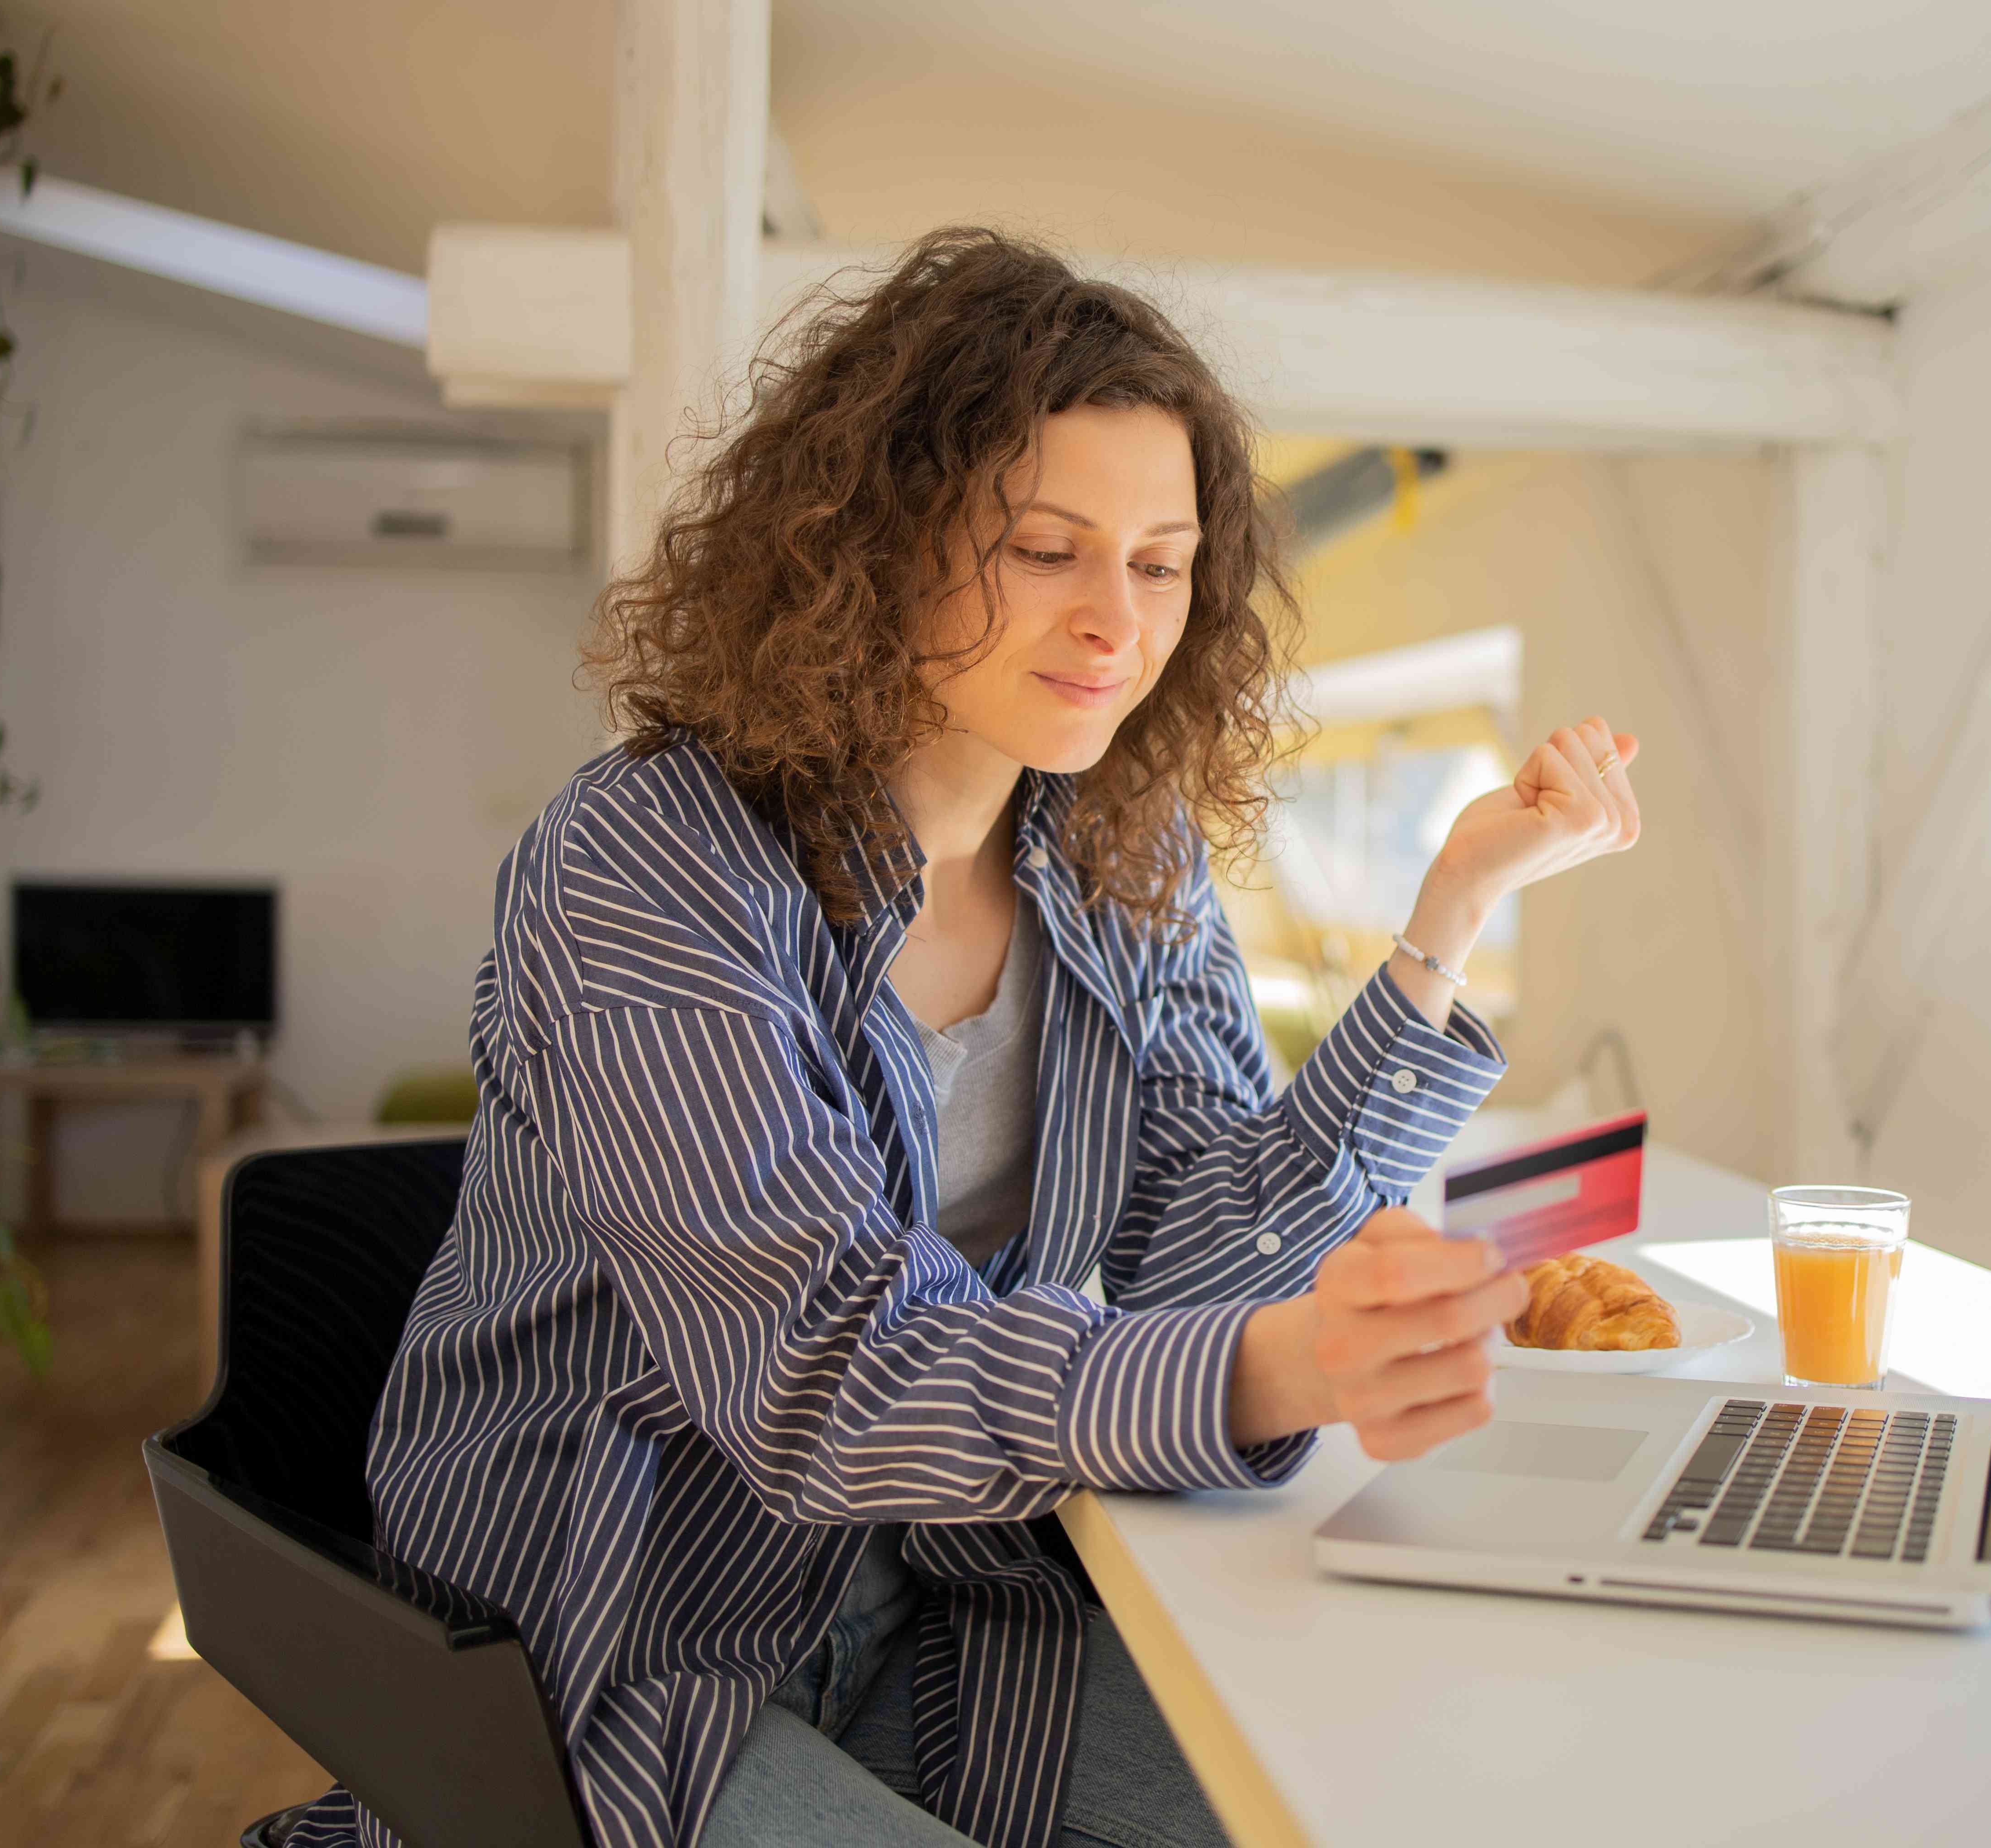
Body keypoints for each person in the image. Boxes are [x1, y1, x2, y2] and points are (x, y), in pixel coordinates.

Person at [275, 226, 1643, 1848]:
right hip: (627, 1643)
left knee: (1370, 1800)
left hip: (963, 1594)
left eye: (1157, 561)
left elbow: (1200, 1258)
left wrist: (1445, 928)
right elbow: (824, 1370)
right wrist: (1284, 1363)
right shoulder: (646, 861)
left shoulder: (1127, 858)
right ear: (877, 544)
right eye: (1045, 548)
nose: (1114, 625)